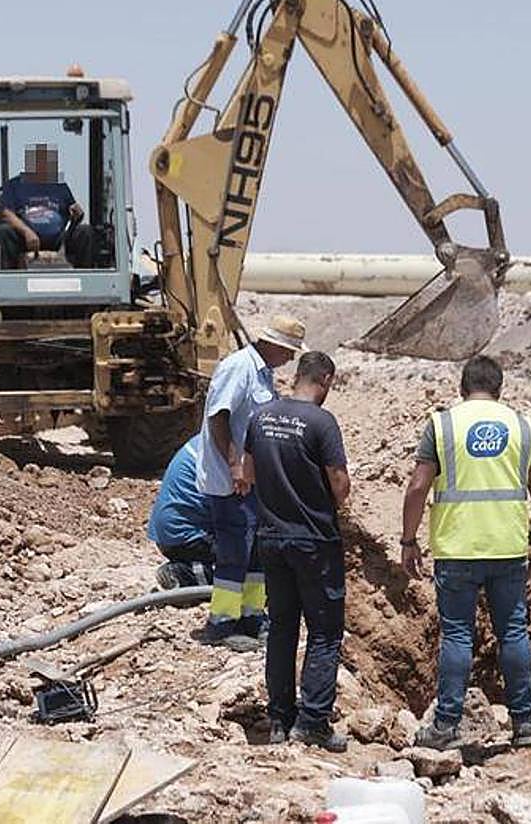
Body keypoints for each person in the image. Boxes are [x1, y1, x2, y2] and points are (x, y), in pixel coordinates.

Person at [400, 354, 531, 751]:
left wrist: (408, 540)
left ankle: (446, 725)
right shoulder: (523, 427)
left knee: (457, 634)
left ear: (461, 388)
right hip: (508, 546)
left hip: (457, 548)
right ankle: (524, 722)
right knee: (514, 632)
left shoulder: (442, 425)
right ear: (500, 389)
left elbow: (417, 487)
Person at [244, 351, 351, 752]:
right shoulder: (322, 422)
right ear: (324, 378)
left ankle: (279, 718)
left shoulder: (261, 416)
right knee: (324, 632)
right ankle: (313, 721)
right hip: (313, 541)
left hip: (271, 538)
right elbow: (339, 486)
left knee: (283, 627)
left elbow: (247, 472)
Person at [195, 315, 306, 648]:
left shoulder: (262, 373)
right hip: (233, 481)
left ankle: (251, 615)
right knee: (234, 550)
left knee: (255, 551)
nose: (290, 359)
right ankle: (222, 623)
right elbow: (219, 417)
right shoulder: (238, 367)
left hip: (251, 480)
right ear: (273, 345)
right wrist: (236, 465)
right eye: (289, 352)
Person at [0, 143, 96, 267]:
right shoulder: (15, 185)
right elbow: (5, 213)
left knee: (85, 231)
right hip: (25, 239)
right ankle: (9, 279)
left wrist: (77, 214)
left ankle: (85, 278)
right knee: (5, 230)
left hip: (57, 239)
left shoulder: (59, 185)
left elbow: (72, 211)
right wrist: (26, 232)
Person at [148, 435, 215, 589]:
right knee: (245, 573)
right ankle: (184, 575)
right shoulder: (225, 449)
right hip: (187, 537)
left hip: (174, 535)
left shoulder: (208, 439)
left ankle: (190, 568)